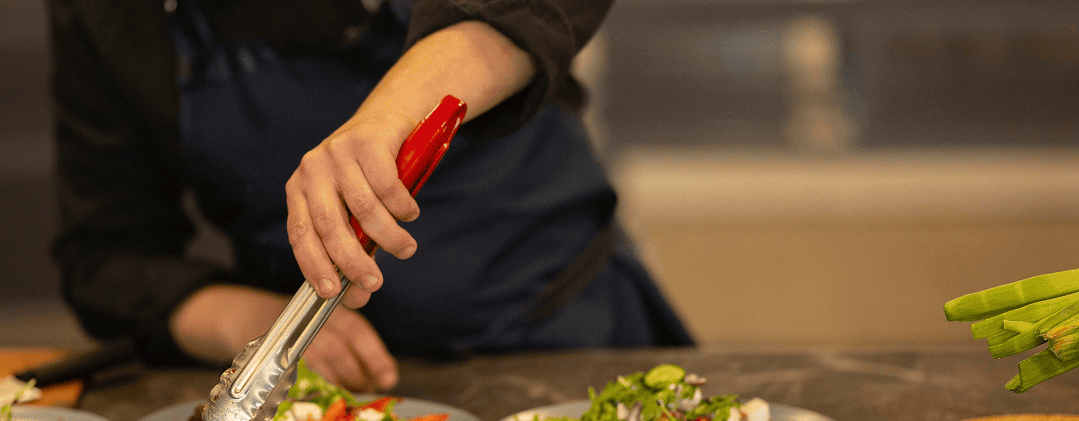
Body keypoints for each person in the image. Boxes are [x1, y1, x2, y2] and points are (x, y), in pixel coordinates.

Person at [47, 0, 693, 393]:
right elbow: (105, 256)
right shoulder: (104, 15)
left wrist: (388, 119)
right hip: (322, 399)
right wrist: (248, 325)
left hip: (564, 338)